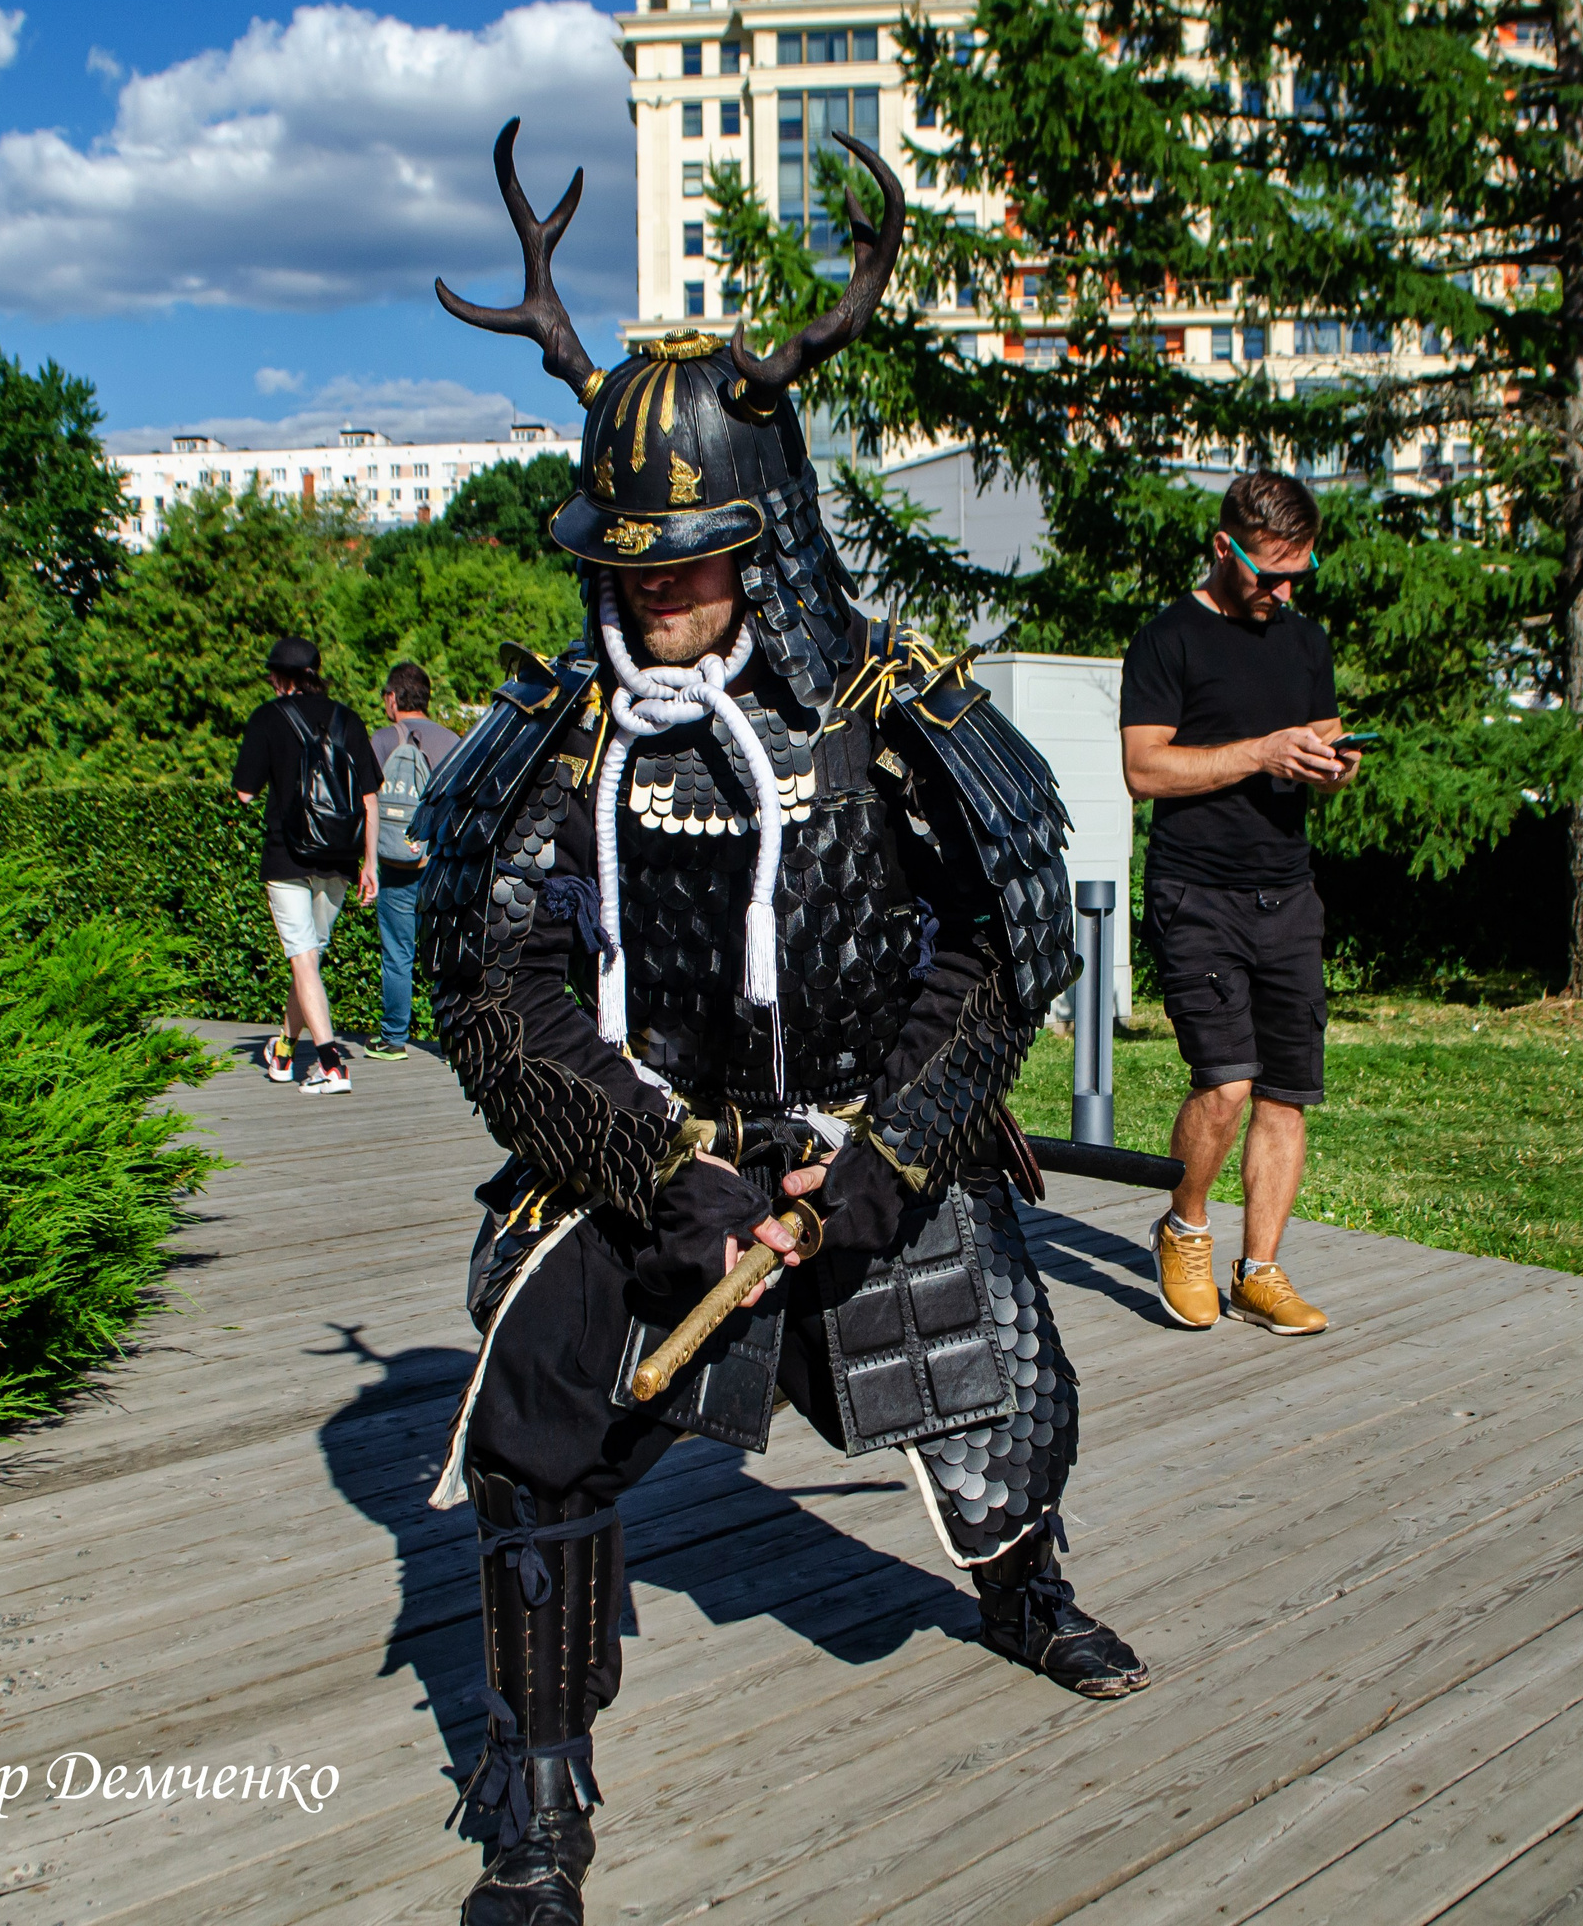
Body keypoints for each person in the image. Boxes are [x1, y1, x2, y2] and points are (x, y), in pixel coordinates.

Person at [421, 122, 1146, 1926]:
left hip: (863, 1131)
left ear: (772, 541)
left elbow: (1006, 935)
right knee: (534, 1401)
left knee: (999, 1375)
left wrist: (895, 1147)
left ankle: (1022, 1583)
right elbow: (488, 979)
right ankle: (536, 1774)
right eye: (630, 567)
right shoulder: (559, 735)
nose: (657, 596)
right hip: (652, 1146)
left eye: (692, 563)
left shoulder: (891, 711)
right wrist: (657, 1172)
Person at [1120, 471, 1362, 1339]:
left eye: (1301, 573)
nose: (1286, 590)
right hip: (1197, 892)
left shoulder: (1307, 643)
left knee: (1286, 1094)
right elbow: (1145, 770)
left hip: (1289, 893)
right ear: (1224, 547)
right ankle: (1183, 1225)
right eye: (1270, 572)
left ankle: (1260, 1270)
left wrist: (1333, 766)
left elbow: (1320, 745)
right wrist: (1261, 752)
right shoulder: (1167, 639)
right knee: (1224, 1085)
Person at [231, 637, 381, 1095]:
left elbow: (244, 793)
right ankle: (282, 1051)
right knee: (308, 959)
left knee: (302, 958)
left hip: (287, 855)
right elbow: (369, 798)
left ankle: (331, 1063)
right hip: (339, 857)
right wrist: (370, 863)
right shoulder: (347, 718)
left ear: (280, 677)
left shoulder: (266, 718)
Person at [362, 662, 461, 1061]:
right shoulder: (453, 741)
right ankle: (453, 1041)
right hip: (442, 866)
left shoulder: (382, 740)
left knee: (397, 954)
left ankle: (393, 1038)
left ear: (392, 698)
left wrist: (366, 861)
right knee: (448, 956)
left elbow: (366, 806)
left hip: (396, 867)